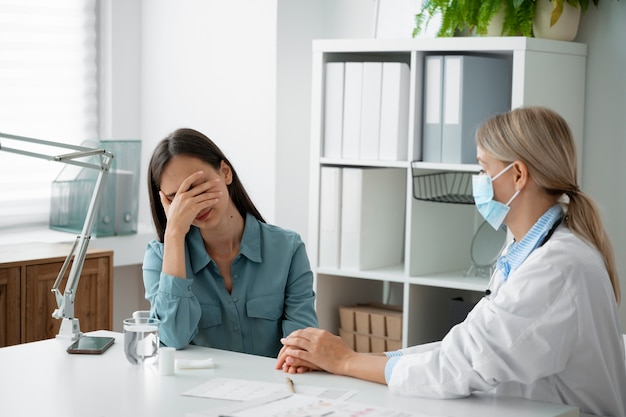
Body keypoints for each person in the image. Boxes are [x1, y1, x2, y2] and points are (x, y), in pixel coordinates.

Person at [276, 107, 626, 416]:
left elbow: (461, 365)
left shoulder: (556, 265)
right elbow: (466, 345)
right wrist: (370, 361)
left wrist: (346, 361)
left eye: (484, 169)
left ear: (518, 175)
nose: (479, 182)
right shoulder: (528, 248)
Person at [143, 128, 318, 358]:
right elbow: (172, 340)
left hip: (273, 388)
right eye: (178, 198)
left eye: (199, 186)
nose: (195, 204)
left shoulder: (288, 249)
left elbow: (302, 347)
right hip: (194, 391)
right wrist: (174, 234)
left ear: (225, 172)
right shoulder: (160, 258)